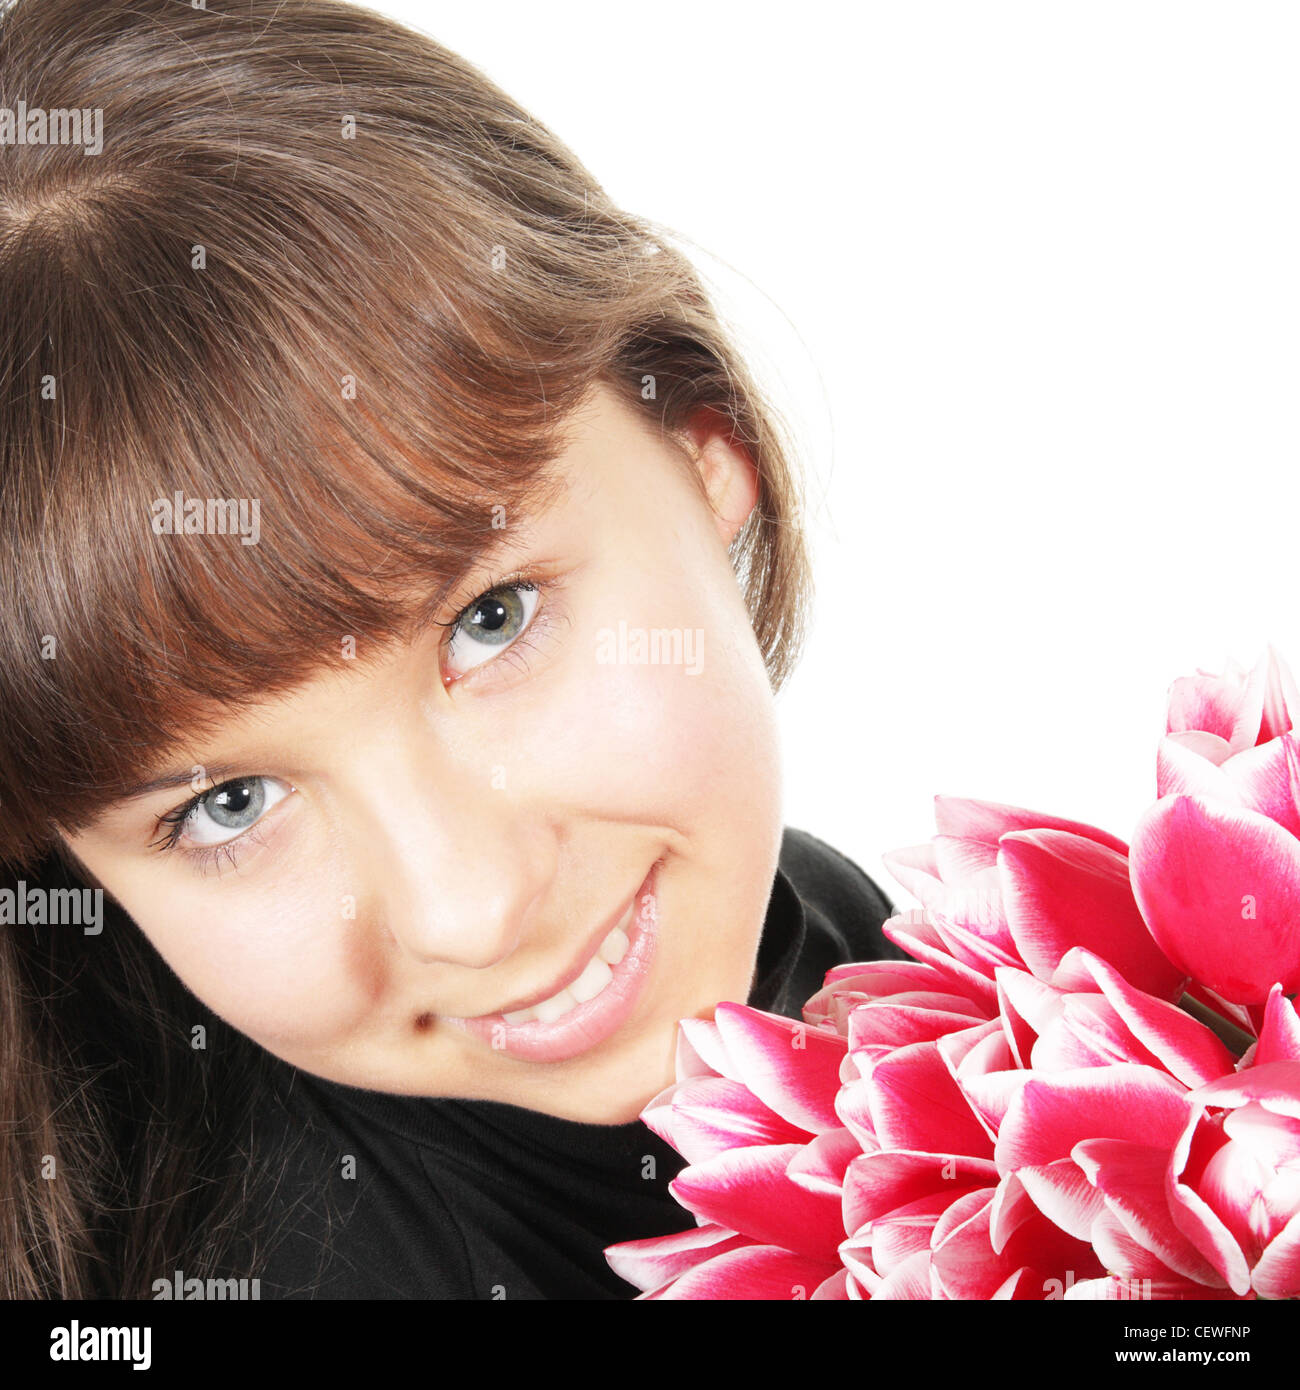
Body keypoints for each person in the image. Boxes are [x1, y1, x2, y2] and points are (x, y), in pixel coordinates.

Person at [0, 0, 905, 1298]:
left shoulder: (842, 941)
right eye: (227, 804)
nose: (471, 908)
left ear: (706, 446)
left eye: (492, 620)